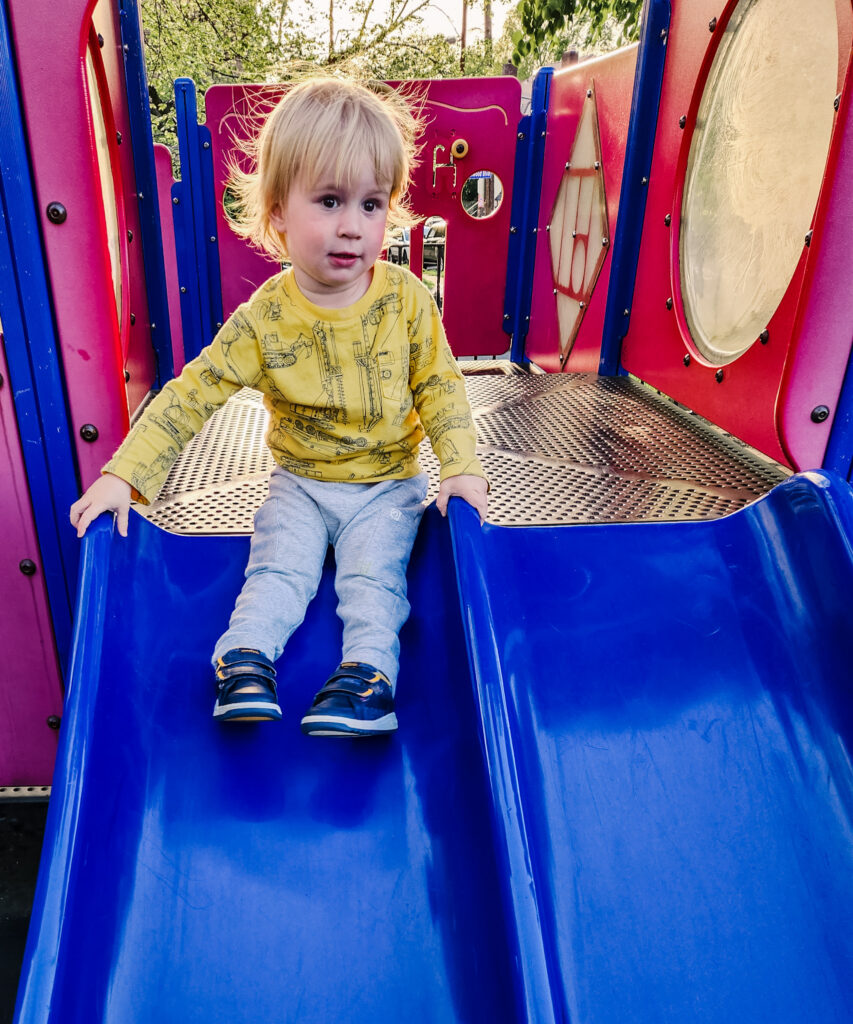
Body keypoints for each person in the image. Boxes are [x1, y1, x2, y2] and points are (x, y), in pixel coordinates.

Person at [70, 77, 488, 737]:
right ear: (277, 214)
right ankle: (244, 658)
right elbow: (193, 391)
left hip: (386, 486)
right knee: (276, 567)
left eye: (371, 203)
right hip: (299, 484)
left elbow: (439, 385)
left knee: (373, 577)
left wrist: (460, 468)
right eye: (329, 200)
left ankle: (369, 675)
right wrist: (127, 475)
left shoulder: (404, 300)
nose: (353, 225)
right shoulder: (265, 317)